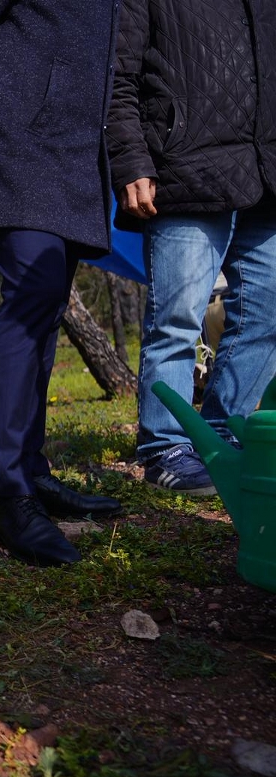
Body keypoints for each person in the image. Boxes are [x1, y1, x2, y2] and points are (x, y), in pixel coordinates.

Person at [0, 0, 123, 567]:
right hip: (15, 140)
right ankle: (9, 492)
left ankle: (33, 473)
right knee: (31, 296)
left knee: (49, 300)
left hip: (73, 155)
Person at [106, 0, 276, 496]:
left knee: (266, 314)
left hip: (266, 173)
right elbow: (118, 79)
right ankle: (165, 449)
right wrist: (130, 160)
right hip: (185, 171)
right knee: (177, 320)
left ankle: (223, 437)